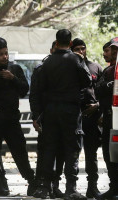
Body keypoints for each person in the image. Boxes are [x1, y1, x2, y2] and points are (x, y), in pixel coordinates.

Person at [34, 29, 91, 200]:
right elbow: (87, 81)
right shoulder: (76, 59)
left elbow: (40, 87)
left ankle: (45, 188)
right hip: (70, 111)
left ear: (56, 42)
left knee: (50, 148)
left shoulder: (48, 61)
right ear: (71, 43)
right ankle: (70, 189)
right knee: (71, 148)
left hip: (51, 110)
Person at [0, 37, 37, 197]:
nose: (5, 57)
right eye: (1, 54)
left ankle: (32, 181)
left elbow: (24, 89)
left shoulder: (15, 69)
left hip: (12, 119)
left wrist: (13, 78)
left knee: (20, 152)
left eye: (6, 53)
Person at [30, 41, 65, 198]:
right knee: (45, 152)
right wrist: (36, 116)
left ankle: (54, 184)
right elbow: (35, 95)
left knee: (60, 152)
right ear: (51, 50)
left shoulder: (68, 67)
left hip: (62, 117)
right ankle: (42, 185)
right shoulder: (41, 68)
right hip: (46, 116)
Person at [71, 38, 103, 199]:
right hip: (74, 116)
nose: (81, 51)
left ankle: (93, 187)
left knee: (91, 154)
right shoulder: (68, 68)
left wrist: (97, 106)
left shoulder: (95, 67)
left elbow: (103, 93)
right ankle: (72, 188)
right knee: (72, 155)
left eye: (83, 48)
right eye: (77, 49)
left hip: (92, 117)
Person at [96, 37, 118, 200]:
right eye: (113, 49)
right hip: (111, 119)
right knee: (110, 153)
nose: (114, 53)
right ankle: (114, 187)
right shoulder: (108, 71)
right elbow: (98, 90)